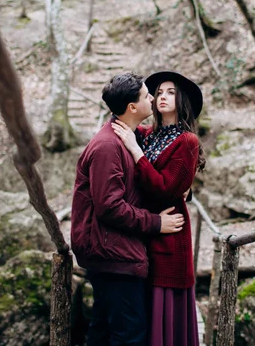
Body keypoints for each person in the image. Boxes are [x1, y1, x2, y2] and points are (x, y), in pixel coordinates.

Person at [70, 72, 186, 346]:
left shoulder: (126, 136)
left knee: (103, 329)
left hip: (112, 249)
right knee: (130, 334)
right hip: (112, 252)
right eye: (148, 95)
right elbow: (109, 207)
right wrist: (156, 223)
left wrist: (182, 187)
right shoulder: (109, 145)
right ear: (133, 107)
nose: (153, 99)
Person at [111, 71, 205, 346]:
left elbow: (166, 188)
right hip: (147, 231)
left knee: (164, 314)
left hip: (170, 236)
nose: (162, 96)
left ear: (182, 99)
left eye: (171, 92)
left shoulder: (187, 141)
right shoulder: (146, 134)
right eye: (159, 92)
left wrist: (135, 152)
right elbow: (118, 118)